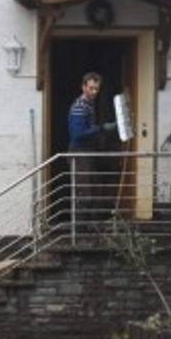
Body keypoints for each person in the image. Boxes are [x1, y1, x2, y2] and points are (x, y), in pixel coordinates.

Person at [66, 73, 116, 227]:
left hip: (88, 152)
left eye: (96, 88)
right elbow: (77, 133)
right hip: (79, 152)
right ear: (83, 87)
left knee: (91, 188)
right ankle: (79, 232)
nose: (94, 92)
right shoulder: (80, 106)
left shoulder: (89, 104)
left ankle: (88, 228)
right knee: (83, 192)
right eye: (91, 88)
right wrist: (100, 128)